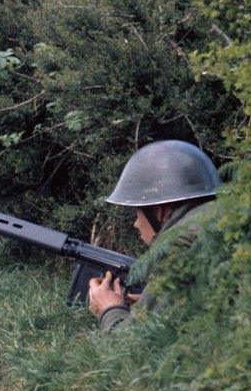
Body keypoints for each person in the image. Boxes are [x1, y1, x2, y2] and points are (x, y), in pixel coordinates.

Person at [87, 140, 220, 331]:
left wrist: (109, 309)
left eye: (137, 214)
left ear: (160, 211)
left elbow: (133, 347)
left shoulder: (178, 249)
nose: (135, 224)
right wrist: (152, 302)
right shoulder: (224, 219)